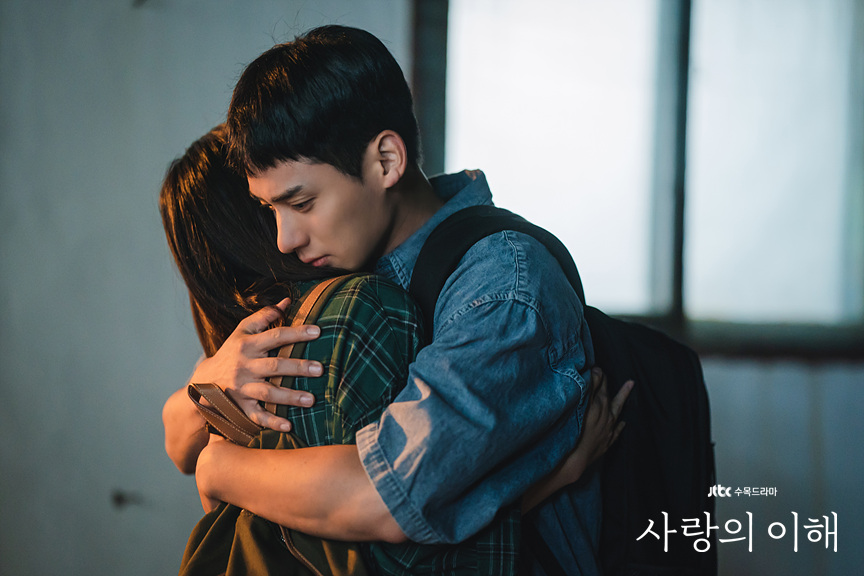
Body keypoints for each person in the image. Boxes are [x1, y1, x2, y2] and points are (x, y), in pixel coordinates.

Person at [160, 124, 628, 574]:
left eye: (298, 201)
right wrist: (547, 479)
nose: (290, 232)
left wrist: (214, 445)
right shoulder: (323, 327)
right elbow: (384, 540)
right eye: (277, 206)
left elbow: (373, 511)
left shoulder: (284, 334)